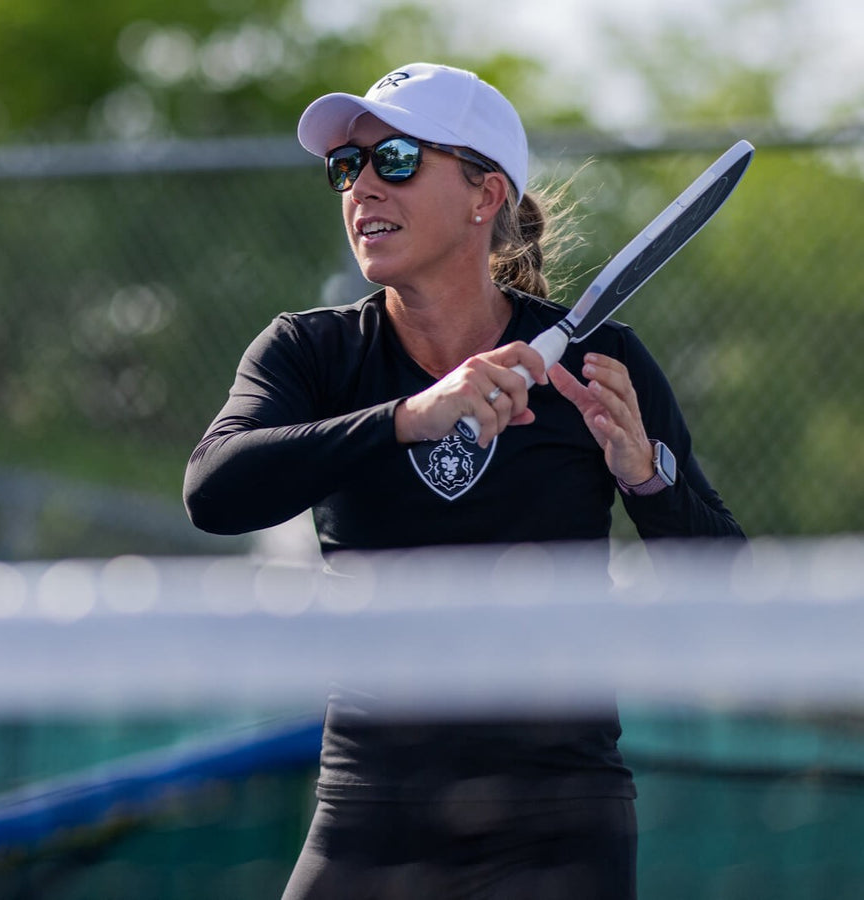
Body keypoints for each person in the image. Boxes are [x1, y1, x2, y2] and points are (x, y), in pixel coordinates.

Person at [184, 62, 744, 899]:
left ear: (486, 195)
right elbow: (214, 491)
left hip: (559, 824)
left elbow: (728, 588)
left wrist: (649, 478)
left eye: (396, 160)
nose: (362, 187)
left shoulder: (601, 360)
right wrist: (407, 417)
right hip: (371, 809)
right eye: (347, 167)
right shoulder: (309, 351)